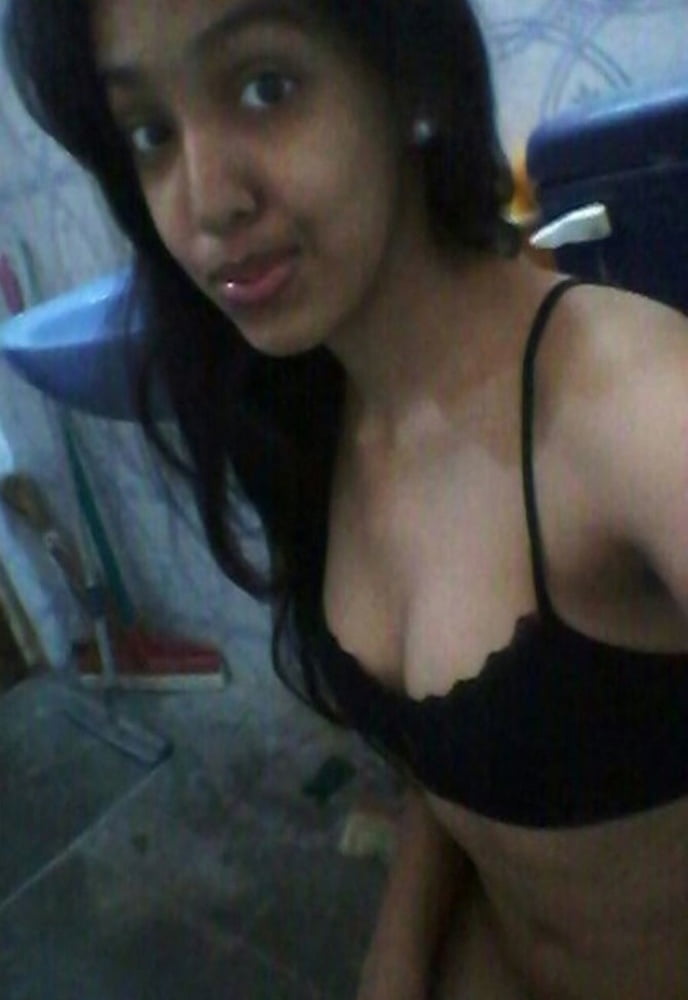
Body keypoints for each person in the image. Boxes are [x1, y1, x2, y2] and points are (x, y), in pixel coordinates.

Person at [5, 0, 688, 996]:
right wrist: (395, 957)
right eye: (150, 134)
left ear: (409, 80)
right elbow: (451, 760)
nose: (205, 202)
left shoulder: (635, 408)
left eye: (265, 87)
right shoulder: (309, 415)